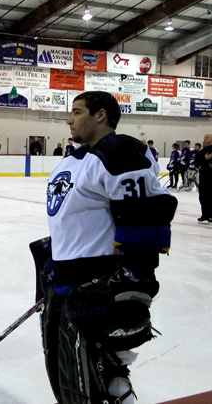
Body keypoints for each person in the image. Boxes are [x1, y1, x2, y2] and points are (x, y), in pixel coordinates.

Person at [38, 91, 177, 404]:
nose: (69, 119)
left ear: (100, 115)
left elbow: (145, 213)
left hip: (98, 281)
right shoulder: (75, 159)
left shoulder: (118, 151)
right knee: (78, 378)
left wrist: (135, 276)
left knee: (103, 373)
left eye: (77, 112)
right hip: (68, 280)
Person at [195, 134, 212, 224]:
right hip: (204, 177)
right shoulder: (203, 151)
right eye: (204, 137)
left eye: (207, 137)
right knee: (203, 196)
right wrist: (205, 158)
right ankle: (205, 214)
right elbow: (196, 162)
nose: (204, 139)